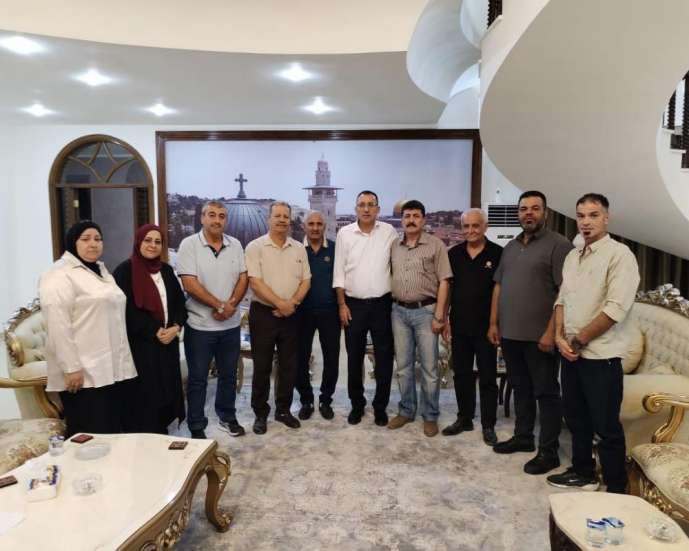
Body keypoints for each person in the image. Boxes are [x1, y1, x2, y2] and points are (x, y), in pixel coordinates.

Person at [548, 193, 639, 493]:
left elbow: (615, 309)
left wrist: (577, 341)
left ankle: (616, 489)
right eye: (581, 216)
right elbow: (562, 300)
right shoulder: (573, 256)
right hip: (570, 353)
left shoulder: (620, 255)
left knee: (606, 427)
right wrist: (559, 337)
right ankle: (583, 472)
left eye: (593, 215)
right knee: (576, 419)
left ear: (606, 218)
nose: (586, 222)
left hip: (602, 356)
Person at [489, 191, 573, 475]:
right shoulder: (511, 247)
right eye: (524, 209)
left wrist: (552, 332)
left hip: (541, 338)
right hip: (511, 334)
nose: (529, 213)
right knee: (521, 388)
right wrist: (494, 323)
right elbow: (499, 286)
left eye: (535, 208)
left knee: (546, 394)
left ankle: (549, 452)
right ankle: (523, 437)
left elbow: (565, 293)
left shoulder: (559, 245)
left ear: (545, 213)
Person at [39, 221, 136, 437]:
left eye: (98, 239)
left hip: (109, 369)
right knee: (88, 435)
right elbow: (58, 325)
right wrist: (71, 368)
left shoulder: (101, 270)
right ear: (72, 242)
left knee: (110, 431)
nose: (93, 244)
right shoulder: (58, 274)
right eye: (85, 239)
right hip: (83, 372)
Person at [176, 201, 249, 439]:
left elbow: (243, 278)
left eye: (221, 216)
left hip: (230, 326)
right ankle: (196, 426)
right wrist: (219, 305)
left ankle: (227, 416)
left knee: (228, 375)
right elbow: (189, 283)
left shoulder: (235, 244)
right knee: (198, 379)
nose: (217, 220)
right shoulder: (189, 244)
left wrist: (230, 306)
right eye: (212, 215)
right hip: (200, 327)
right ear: (202, 218)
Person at [113, 224, 187, 434]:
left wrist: (176, 327)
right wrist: (154, 330)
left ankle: (162, 431)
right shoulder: (124, 271)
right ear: (138, 242)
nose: (152, 245)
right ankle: (146, 437)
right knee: (145, 395)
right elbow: (125, 310)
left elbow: (180, 304)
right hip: (141, 345)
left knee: (166, 391)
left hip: (167, 342)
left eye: (157, 242)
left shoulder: (166, 270)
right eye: (147, 240)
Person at [245, 201, 311, 434]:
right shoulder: (255, 247)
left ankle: (283, 410)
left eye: (286, 216)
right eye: (277, 216)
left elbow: (306, 280)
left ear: (290, 220)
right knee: (262, 366)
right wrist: (280, 304)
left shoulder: (299, 248)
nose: (282, 220)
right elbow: (255, 282)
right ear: (269, 219)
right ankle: (260, 413)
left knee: (288, 366)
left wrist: (291, 304)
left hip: (292, 313)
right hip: (264, 314)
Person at [333, 190, 398, 426]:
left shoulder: (389, 232)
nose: (367, 209)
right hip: (354, 305)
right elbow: (339, 272)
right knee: (354, 359)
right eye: (362, 205)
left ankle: (380, 407)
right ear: (356, 209)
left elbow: (396, 265)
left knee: (384, 358)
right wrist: (342, 304)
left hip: (383, 305)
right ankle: (357, 405)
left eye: (371, 204)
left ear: (378, 209)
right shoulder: (345, 234)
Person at [388, 200, 451, 437]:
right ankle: (406, 410)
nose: (411, 220)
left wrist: (439, 315)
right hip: (399, 312)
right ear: (402, 219)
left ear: (423, 219)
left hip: (426, 312)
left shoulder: (436, 245)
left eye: (416, 216)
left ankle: (430, 415)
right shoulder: (395, 246)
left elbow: (445, 281)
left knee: (429, 368)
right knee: (403, 367)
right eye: (407, 216)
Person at [442, 208, 502, 446]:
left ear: (485, 227)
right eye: (466, 226)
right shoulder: (454, 254)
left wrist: (494, 323)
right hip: (459, 325)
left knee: (487, 377)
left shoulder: (497, 253)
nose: (470, 230)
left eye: (475, 226)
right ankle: (464, 418)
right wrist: (445, 318)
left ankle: (488, 424)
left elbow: (498, 290)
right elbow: (448, 287)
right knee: (461, 375)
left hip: (486, 328)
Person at [295, 211, 340, 421]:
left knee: (331, 357)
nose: (315, 227)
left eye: (319, 224)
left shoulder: (335, 249)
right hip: (302, 312)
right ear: (304, 226)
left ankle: (325, 400)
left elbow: (341, 280)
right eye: (311, 224)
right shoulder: (296, 250)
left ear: (325, 227)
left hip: (329, 312)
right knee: (300, 358)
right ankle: (306, 400)